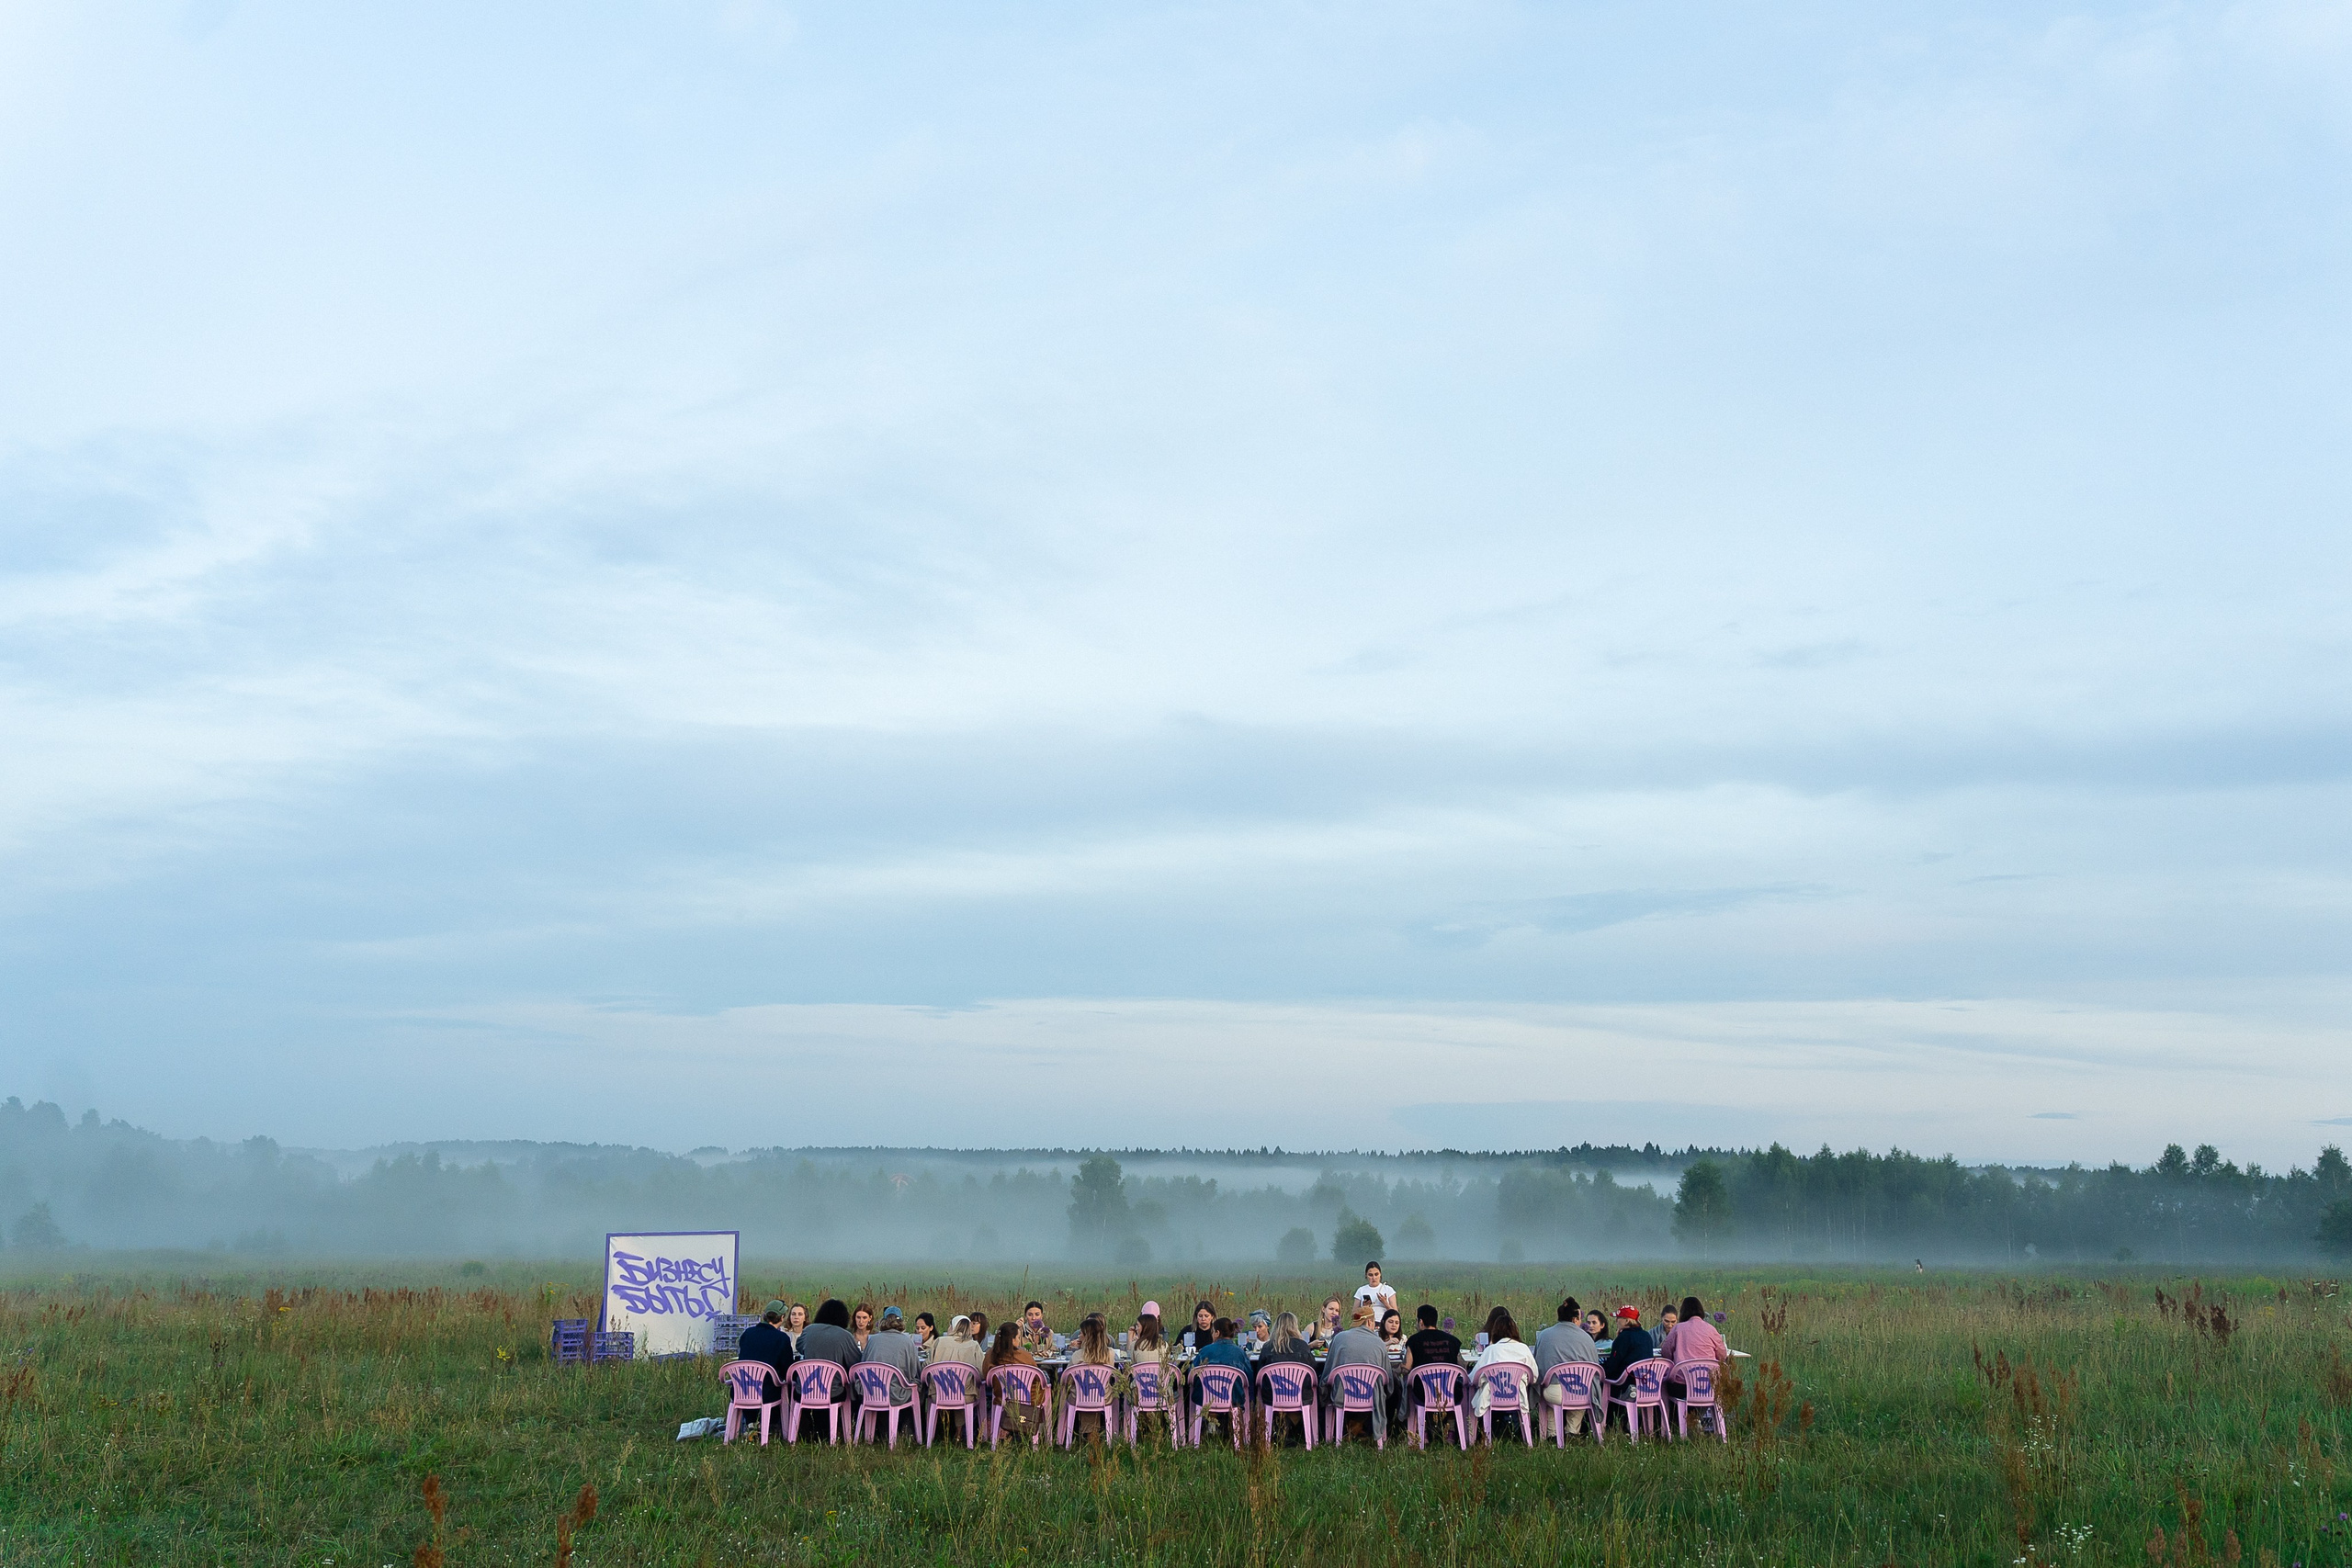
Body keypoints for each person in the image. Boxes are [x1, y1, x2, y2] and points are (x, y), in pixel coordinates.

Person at [1323, 1303, 1396, 1435]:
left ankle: (1339, 1430)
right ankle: (1379, 1430)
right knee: (1393, 1388)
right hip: (1371, 1396)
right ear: (1370, 1322)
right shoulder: (1379, 1342)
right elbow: (1387, 1379)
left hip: (1342, 1395)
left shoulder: (1339, 1338)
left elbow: (1328, 1372)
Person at [1533, 1296, 1600, 1433]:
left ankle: (1551, 1432)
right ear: (1575, 1319)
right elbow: (1595, 1368)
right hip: (1580, 1391)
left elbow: (1538, 1367)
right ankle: (1572, 1431)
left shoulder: (1544, 1335)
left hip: (1555, 1392)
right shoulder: (1586, 1338)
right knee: (1582, 1390)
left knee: (1548, 1393)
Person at [1468, 1306, 1537, 1433]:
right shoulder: (1524, 1348)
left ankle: (1482, 1432)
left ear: (1494, 1331)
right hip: (1517, 1394)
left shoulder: (1490, 1350)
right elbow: (1535, 1375)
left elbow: (1473, 1378)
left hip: (1492, 1396)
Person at [1659, 1295, 1729, 1419]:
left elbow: (1665, 1352)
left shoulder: (1678, 1329)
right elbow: (1722, 1355)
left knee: (1663, 1384)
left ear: (1682, 1312)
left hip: (1682, 1387)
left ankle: (1669, 1423)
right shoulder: (1711, 1329)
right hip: (1708, 1386)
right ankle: (1702, 1421)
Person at [795, 1298, 862, 1426]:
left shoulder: (809, 1330)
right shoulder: (845, 1336)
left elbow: (799, 1347)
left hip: (804, 1390)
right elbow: (855, 1362)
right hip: (833, 1393)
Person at [1403, 1303, 1464, 1439]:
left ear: (1421, 1322)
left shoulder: (1414, 1341)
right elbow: (1461, 1367)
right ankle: (1451, 1431)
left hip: (1423, 1393)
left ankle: (1423, 1431)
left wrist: (1395, 1369)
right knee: (1456, 1386)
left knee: (1414, 1386)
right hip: (1451, 1393)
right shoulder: (1453, 1341)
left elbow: (1407, 1367)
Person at [1191, 1317, 1252, 1438]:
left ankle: (1208, 1427)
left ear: (1217, 1333)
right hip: (1233, 1398)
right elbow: (1248, 1376)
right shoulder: (1239, 1352)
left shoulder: (1205, 1350)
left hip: (1205, 1398)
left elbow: (1192, 1373)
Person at [983, 1320, 1045, 1440]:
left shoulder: (990, 1354)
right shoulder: (1025, 1355)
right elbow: (1037, 1378)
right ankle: (1037, 1433)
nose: (1019, 1340)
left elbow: (987, 1376)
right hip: (1028, 1399)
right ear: (1012, 1339)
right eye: (1018, 1337)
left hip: (1002, 1397)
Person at [860, 1306, 922, 1407]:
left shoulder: (872, 1340)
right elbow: (914, 1372)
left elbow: (863, 1365)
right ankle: (915, 1420)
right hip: (897, 1394)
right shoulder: (907, 1342)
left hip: (871, 1393)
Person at [734, 1300, 797, 1398]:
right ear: (782, 1317)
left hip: (741, 1389)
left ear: (764, 1315)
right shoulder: (781, 1338)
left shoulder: (748, 1333)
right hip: (766, 1393)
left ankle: (748, 1413)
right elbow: (787, 1370)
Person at [1600, 1304, 1655, 1384]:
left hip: (1625, 1384)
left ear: (1627, 1321)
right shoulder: (1646, 1335)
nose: (1616, 1321)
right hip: (1645, 1383)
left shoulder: (1624, 1338)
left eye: (1619, 1318)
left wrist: (1599, 1369)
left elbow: (1612, 1365)